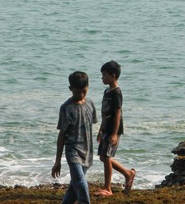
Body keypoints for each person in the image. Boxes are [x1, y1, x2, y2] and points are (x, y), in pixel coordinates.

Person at [52, 71, 98, 204]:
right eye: (77, 92)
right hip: (73, 153)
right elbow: (62, 135)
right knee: (82, 185)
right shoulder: (66, 108)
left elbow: (91, 123)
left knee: (74, 189)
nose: (81, 95)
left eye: (84, 91)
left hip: (87, 152)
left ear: (88, 87)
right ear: (70, 89)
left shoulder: (90, 104)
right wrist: (57, 161)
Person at [96, 60, 136, 196]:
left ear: (113, 76)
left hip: (114, 129)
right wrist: (100, 130)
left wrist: (114, 134)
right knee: (103, 157)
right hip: (106, 128)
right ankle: (127, 173)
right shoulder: (107, 91)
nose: (102, 78)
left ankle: (108, 188)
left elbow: (118, 113)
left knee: (106, 157)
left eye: (104, 75)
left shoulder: (116, 92)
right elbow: (104, 113)